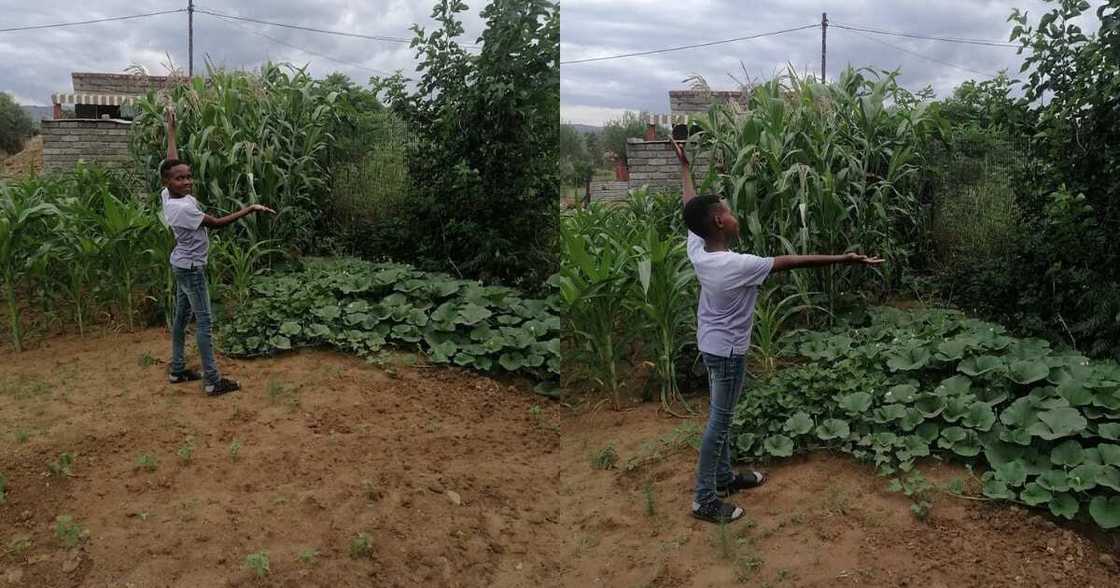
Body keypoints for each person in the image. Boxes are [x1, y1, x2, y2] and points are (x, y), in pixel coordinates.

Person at [669, 136, 883, 524]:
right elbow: (794, 260)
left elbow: (690, 207)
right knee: (720, 420)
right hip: (730, 351)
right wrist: (845, 258)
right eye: (729, 211)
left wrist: (684, 168)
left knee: (723, 416)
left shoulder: (699, 248)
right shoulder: (737, 265)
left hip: (712, 344)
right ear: (719, 221)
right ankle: (704, 498)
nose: (734, 214)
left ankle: (722, 476)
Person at [160, 103, 276, 396]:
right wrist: (250, 207)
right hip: (193, 269)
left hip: (181, 264)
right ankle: (212, 381)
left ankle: (176, 370)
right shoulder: (183, 208)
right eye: (179, 178)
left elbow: (170, 161)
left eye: (188, 177)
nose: (186, 181)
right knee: (205, 324)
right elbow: (218, 223)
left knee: (181, 319)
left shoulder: (167, 196)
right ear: (168, 182)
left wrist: (171, 131)